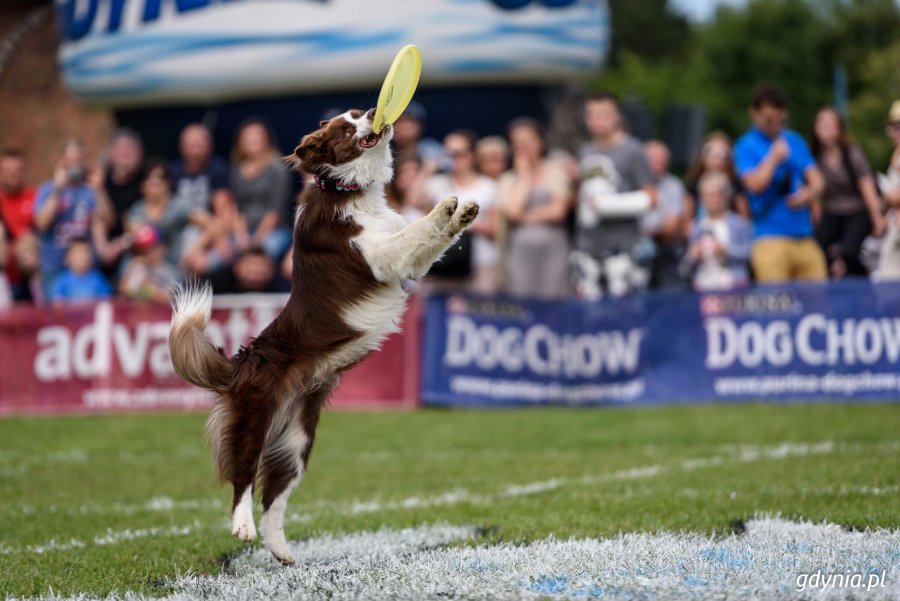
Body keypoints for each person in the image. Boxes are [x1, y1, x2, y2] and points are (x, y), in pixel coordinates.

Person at [733, 83, 826, 283]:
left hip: (804, 236)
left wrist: (808, 194)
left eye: (780, 120)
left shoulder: (795, 140)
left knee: (818, 305)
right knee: (778, 308)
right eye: (769, 120)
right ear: (754, 113)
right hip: (769, 238)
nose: (776, 125)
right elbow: (755, 185)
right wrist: (774, 157)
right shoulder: (745, 146)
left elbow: (818, 181)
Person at [574, 92, 656, 298]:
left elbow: (651, 197)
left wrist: (609, 206)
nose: (597, 120)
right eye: (591, 115)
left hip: (622, 247)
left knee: (624, 313)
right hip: (588, 246)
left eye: (603, 114)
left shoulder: (632, 149)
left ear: (617, 117)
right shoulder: (586, 150)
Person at [497, 117, 572, 299]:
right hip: (520, 252)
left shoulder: (556, 171)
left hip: (554, 249)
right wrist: (525, 175)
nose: (522, 146)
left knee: (554, 298)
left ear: (541, 142)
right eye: (516, 142)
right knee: (522, 300)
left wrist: (525, 217)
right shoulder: (507, 179)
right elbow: (513, 212)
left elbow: (558, 212)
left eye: (527, 141)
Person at [417, 130, 499, 294]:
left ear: (472, 155)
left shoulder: (488, 186)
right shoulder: (436, 183)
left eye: (459, 153)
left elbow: (493, 228)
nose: (453, 158)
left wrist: (454, 223)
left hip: (479, 264)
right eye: (448, 153)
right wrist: (428, 170)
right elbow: (413, 204)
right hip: (442, 263)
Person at [810, 106, 885, 278]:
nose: (825, 127)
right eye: (821, 122)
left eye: (830, 122)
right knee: (817, 251)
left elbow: (866, 186)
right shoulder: (815, 157)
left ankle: (864, 280)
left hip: (856, 210)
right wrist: (816, 224)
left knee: (849, 251)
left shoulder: (852, 153)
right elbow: (816, 196)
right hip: (832, 211)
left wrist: (877, 219)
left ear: (839, 127)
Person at [33, 139, 101, 299]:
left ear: (84, 162)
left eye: (78, 160)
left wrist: (99, 190)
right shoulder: (47, 189)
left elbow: (107, 220)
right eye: (70, 160)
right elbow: (41, 224)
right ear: (61, 161)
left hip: (85, 269)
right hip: (54, 268)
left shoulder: (90, 191)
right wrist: (58, 189)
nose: (74, 165)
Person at [124, 159, 214, 270]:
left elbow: (211, 225)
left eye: (160, 177)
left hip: (173, 268)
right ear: (142, 185)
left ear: (168, 182)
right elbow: (131, 241)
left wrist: (195, 250)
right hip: (144, 269)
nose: (154, 182)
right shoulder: (136, 211)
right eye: (148, 177)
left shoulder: (178, 207)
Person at [227, 118, 293, 263]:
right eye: (248, 137)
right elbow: (237, 208)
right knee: (225, 254)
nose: (253, 140)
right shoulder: (237, 170)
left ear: (266, 140)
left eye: (257, 136)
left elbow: (276, 211)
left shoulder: (277, 168)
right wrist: (241, 236)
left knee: (258, 258)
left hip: (274, 230)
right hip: (245, 231)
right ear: (240, 143)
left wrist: (256, 241)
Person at [170, 123, 231, 275]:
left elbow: (222, 208)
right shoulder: (173, 171)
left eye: (200, 141)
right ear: (181, 146)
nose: (196, 146)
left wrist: (219, 240)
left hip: (210, 230)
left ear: (209, 145)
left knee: (203, 264)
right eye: (191, 142)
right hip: (180, 231)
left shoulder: (218, 168)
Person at [685, 171, 753, 291]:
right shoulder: (697, 225)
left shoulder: (739, 223)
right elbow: (687, 262)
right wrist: (693, 255)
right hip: (703, 285)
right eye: (706, 195)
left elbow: (749, 253)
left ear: (725, 196)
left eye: (715, 195)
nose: (711, 200)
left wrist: (726, 250)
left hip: (733, 284)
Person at [92, 129, 146, 273]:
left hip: (134, 247)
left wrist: (120, 245)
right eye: (121, 150)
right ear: (110, 154)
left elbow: (146, 224)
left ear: (140, 153)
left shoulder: (146, 181)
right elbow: (99, 218)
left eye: (130, 149)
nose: (125, 153)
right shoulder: (101, 181)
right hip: (101, 245)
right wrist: (104, 249)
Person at [642, 140, 689, 290]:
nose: (660, 161)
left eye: (664, 157)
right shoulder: (631, 183)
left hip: (667, 252)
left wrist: (647, 231)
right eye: (654, 157)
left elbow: (673, 224)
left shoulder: (674, 185)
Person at [683, 132, 749, 220]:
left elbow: (744, 221)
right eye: (710, 151)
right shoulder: (693, 185)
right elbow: (687, 220)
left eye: (722, 153)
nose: (716, 158)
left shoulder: (736, 186)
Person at [0, 149, 36, 299]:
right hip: (4, 274)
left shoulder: (34, 196)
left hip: (29, 275)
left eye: (17, 169)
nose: (13, 174)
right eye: (8, 170)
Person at [119, 225, 182, 303]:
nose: (147, 252)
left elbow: (168, 298)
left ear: (163, 247)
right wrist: (131, 265)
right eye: (143, 249)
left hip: (160, 313)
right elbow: (123, 291)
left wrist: (145, 290)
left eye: (151, 248)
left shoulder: (171, 272)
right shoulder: (138, 267)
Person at [875, 100, 900, 280]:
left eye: (898, 126)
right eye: (892, 127)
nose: (894, 133)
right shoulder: (895, 156)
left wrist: (889, 198)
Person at [48, 237, 111, 304]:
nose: (82, 256)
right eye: (78, 252)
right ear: (67, 258)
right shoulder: (62, 281)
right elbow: (57, 303)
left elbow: (106, 302)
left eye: (85, 251)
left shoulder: (98, 279)